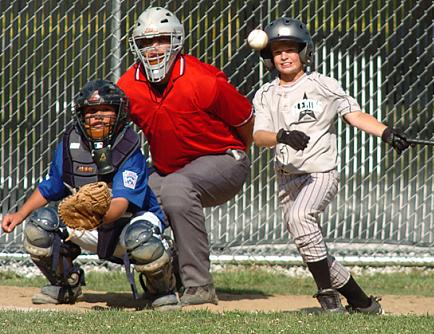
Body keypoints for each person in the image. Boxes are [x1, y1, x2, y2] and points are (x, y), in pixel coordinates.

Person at [252, 18, 411, 314]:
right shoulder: (266, 93)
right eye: (277, 51)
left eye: (291, 49)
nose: (284, 56)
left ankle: (327, 297)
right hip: (287, 178)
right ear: (270, 59)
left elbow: (354, 114)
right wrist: (282, 136)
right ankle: (364, 304)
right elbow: (259, 136)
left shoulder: (323, 86)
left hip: (320, 173)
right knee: (309, 244)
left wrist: (386, 132)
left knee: (302, 217)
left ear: (305, 53)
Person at [1, 79, 180, 311]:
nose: (98, 116)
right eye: (91, 111)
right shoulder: (70, 143)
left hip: (130, 222)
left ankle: (163, 288)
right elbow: (50, 186)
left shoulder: (127, 148)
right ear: (81, 115)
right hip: (91, 223)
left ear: (119, 113)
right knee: (39, 227)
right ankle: (66, 283)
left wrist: (90, 216)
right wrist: (19, 215)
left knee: (140, 240)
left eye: (106, 110)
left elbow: (120, 203)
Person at [117, 7, 254, 306]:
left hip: (223, 159)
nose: (153, 49)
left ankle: (199, 286)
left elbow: (246, 122)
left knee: (178, 188)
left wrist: (238, 153)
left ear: (177, 40)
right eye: (145, 42)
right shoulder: (128, 86)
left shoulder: (204, 79)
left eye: (162, 40)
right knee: (127, 195)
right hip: (169, 170)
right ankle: (162, 278)